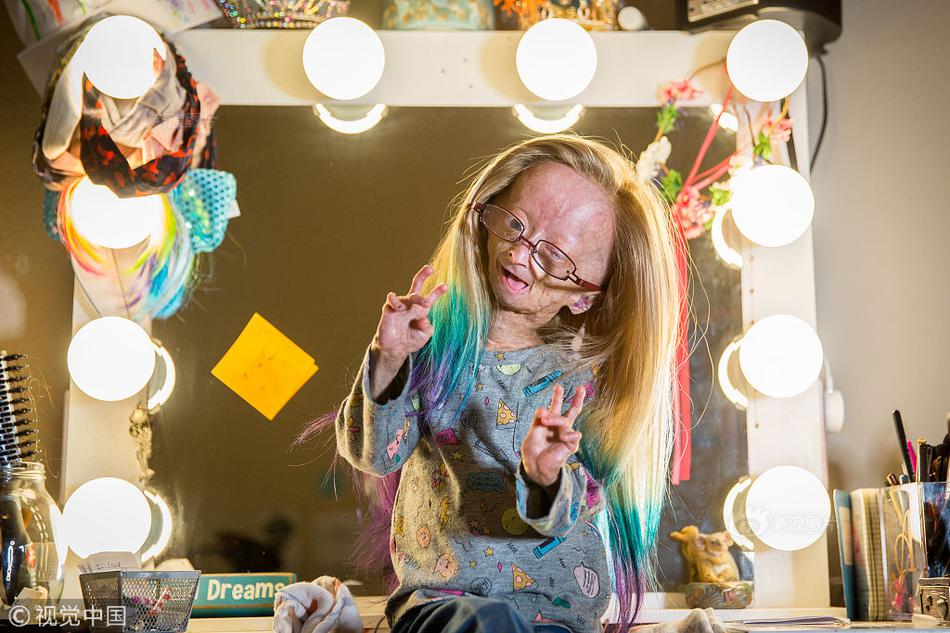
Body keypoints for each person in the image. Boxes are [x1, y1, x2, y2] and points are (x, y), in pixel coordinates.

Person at [331, 135, 724, 633]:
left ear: (584, 296)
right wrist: (389, 359)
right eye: (515, 224)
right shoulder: (432, 353)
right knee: (485, 623)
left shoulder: (581, 384)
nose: (520, 253)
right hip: (443, 605)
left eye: (555, 255)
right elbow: (373, 453)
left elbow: (564, 516)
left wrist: (546, 477)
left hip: (555, 615)